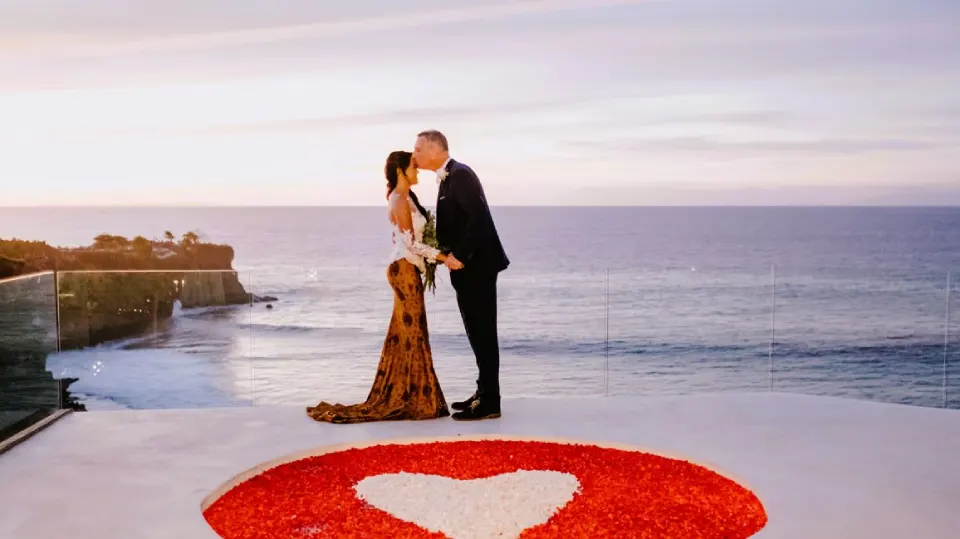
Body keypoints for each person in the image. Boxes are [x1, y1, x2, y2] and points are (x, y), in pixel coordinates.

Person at [306, 151, 449, 423]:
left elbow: (402, 239)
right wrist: (443, 257)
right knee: (412, 335)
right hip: (404, 270)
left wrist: (429, 257)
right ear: (401, 171)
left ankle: (413, 396)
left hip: (408, 268)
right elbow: (410, 244)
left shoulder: (405, 198)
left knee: (407, 334)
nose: (417, 172)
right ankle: (416, 400)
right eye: (413, 168)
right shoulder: (398, 198)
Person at [413, 129, 509, 421]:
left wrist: (459, 256)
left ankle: (490, 401)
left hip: (477, 267)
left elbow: (477, 218)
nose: (414, 154)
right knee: (475, 332)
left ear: (435, 149)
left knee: (483, 333)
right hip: (468, 269)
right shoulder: (448, 178)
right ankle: (483, 392)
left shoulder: (461, 174)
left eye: (418, 149)